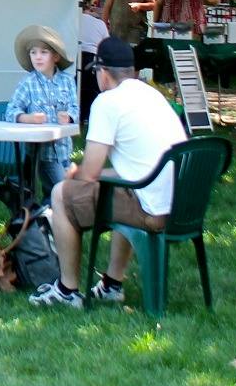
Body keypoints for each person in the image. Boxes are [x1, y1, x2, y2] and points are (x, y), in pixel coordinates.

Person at [30, 36, 187, 309]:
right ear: (131, 71)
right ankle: (111, 284)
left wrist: (74, 175)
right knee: (117, 189)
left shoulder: (107, 102)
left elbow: (90, 173)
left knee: (59, 194)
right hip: (179, 205)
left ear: (102, 73)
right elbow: (135, 166)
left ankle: (67, 290)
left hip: (150, 209)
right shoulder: (152, 95)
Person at [4, 25, 79, 201]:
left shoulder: (67, 82)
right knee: (63, 191)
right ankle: (45, 220)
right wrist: (27, 118)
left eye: (44, 52)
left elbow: (75, 109)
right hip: (42, 154)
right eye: (33, 52)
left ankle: (44, 222)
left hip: (64, 150)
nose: (37, 57)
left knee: (55, 194)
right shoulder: (28, 83)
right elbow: (11, 110)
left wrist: (68, 117)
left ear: (56, 56)